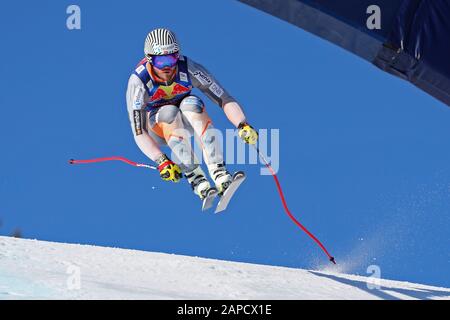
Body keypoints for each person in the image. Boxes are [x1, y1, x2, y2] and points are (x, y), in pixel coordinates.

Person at [126, 28, 258, 200]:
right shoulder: (139, 82)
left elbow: (223, 98)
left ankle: (219, 172)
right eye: (160, 61)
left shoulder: (189, 68)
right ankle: (196, 178)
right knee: (169, 112)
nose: (166, 67)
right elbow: (139, 132)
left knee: (192, 104)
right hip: (158, 128)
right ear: (150, 59)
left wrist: (242, 124)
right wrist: (161, 160)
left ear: (177, 55)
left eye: (171, 58)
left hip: (187, 118)